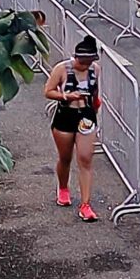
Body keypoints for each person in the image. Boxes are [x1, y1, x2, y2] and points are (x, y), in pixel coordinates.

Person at [43, 35, 103, 222]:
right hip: (65, 116)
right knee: (65, 157)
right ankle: (63, 187)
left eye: (88, 63)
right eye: (82, 63)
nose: (84, 67)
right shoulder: (62, 69)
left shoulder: (95, 70)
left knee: (85, 159)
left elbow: (95, 93)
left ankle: (85, 204)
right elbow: (48, 91)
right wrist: (66, 96)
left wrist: (95, 104)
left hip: (86, 117)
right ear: (76, 58)